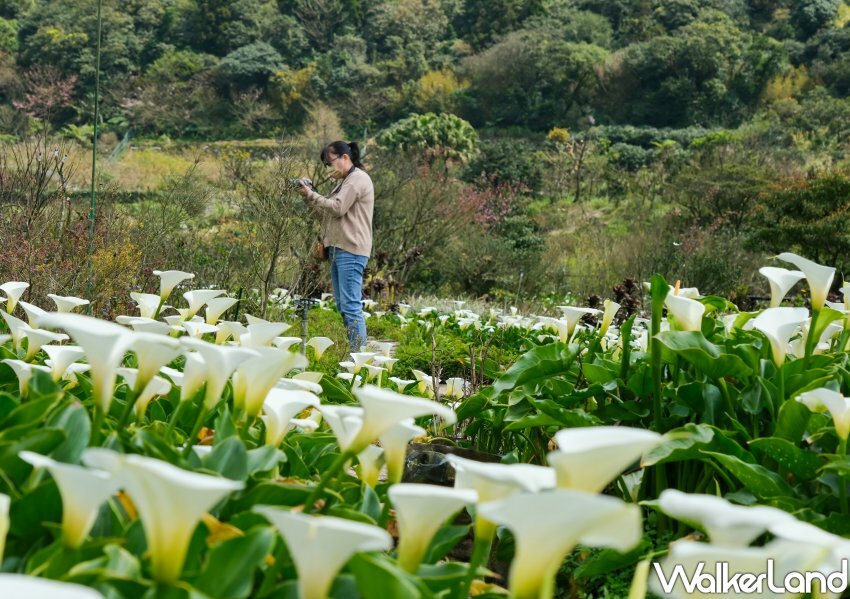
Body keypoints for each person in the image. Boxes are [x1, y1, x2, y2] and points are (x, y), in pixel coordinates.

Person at [298, 141, 374, 351]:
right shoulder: (342, 183)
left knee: (350, 306)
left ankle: (359, 356)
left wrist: (313, 194)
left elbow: (338, 208)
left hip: (351, 249)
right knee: (344, 306)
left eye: (329, 163)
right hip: (338, 249)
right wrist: (308, 198)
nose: (328, 168)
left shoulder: (357, 179)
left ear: (345, 158)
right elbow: (325, 216)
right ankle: (356, 353)